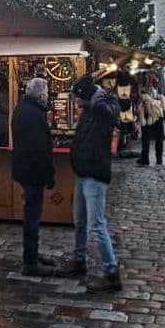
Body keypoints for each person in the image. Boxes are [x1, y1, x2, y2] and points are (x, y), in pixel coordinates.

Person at [61, 74, 122, 293]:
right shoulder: (87, 110)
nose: (74, 101)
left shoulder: (105, 105)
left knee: (97, 225)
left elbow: (109, 116)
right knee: (79, 221)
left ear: (85, 96)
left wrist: (95, 100)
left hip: (95, 175)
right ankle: (79, 260)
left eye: (77, 97)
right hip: (82, 172)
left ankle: (111, 272)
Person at [11, 77, 57, 276]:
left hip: (23, 168)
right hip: (32, 171)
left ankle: (33, 253)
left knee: (32, 213)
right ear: (40, 94)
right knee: (32, 215)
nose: (47, 96)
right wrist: (49, 174)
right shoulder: (34, 116)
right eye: (46, 92)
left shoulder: (21, 109)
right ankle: (30, 260)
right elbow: (39, 149)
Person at [136, 84, 164, 166]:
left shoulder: (145, 96)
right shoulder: (159, 95)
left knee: (146, 139)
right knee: (159, 138)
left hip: (148, 118)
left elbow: (148, 110)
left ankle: (145, 159)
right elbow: (163, 107)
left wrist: (151, 116)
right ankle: (159, 159)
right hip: (159, 117)